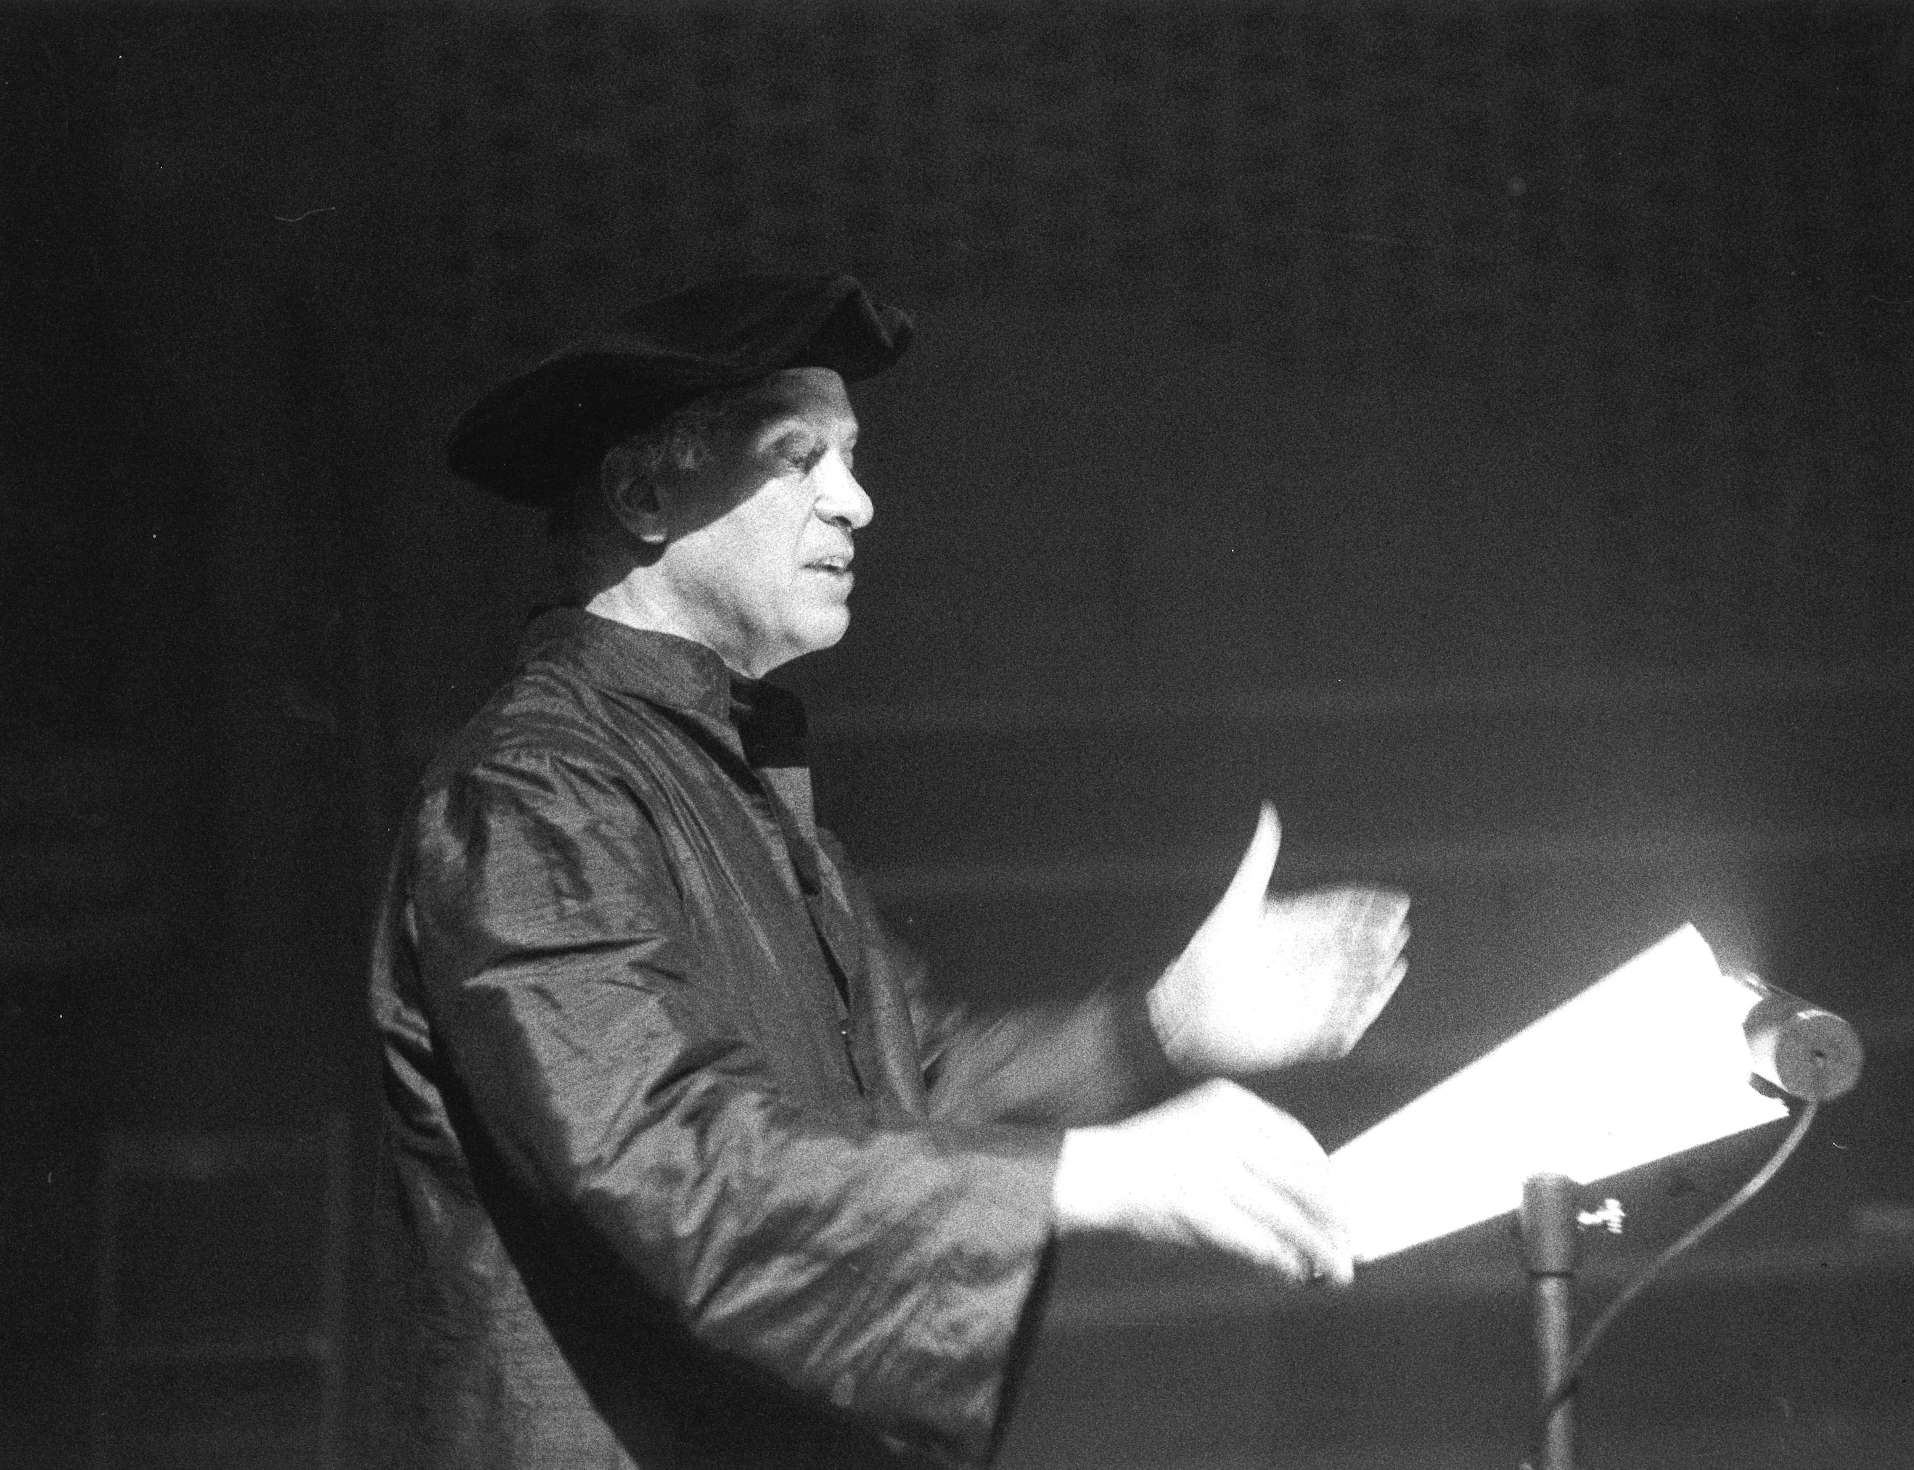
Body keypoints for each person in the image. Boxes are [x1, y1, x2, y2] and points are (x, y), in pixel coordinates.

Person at [368, 274, 1410, 1470]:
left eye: (850, 457)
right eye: (797, 456)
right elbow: (659, 1160)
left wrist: (1160, 1027)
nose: (855, 501)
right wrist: (1088, 1173)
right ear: (643, 494)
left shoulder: (722, 778)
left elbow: (905, 1097)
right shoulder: (532, 788)